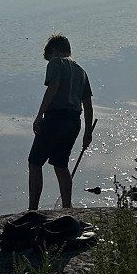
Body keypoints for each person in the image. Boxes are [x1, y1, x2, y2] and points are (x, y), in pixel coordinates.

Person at [28, 33, 93, 211]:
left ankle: (32, 209)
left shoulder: (57, 62)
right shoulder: (81, 71)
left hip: (55, 118)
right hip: (73, 122)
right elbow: (87, 104)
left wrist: (39, 115)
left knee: (35, 162)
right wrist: (88, 132)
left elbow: (53, 86)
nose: (49, 60)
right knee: (61, 164)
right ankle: (67, 207)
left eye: (48, 57)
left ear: (55, 52)